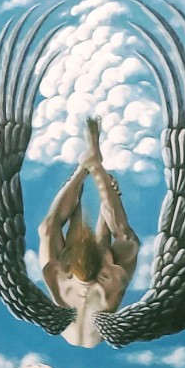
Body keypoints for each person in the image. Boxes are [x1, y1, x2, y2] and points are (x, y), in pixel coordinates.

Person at [40, 117, 140, 348]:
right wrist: (100, 177)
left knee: (48, 230)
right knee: (126, 240)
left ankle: (89, 165)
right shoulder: (110, 281)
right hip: (88, 293)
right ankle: (90, 164)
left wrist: (90, 171)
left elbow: (53, 227)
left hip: (83, 293)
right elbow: (111, 234)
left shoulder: (61, 276)